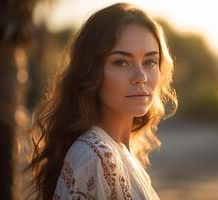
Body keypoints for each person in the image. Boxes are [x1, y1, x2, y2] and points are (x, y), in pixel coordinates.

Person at [25, 2, 177, 200]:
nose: (141, 76)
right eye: (121, 62)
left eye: (150, 62)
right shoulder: (93, 156)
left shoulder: (120, 152)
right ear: (91, 71)